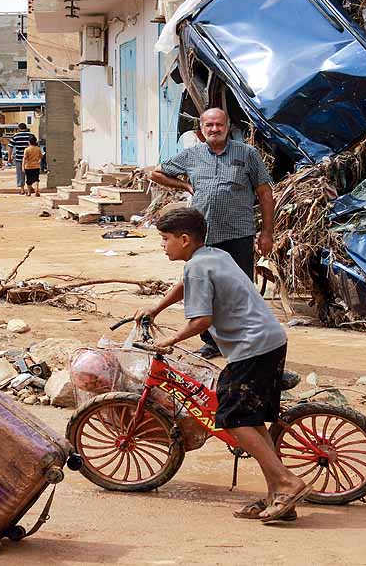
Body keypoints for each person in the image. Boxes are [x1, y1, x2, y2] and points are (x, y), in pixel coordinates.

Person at [136, 208, 307, 523]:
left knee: (230, 417)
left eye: (165, 239)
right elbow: (185, 285)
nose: (162, 245)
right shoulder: (212, 256)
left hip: (252, 346)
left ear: (184, 240)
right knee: (250, 419)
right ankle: (276, 494)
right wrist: (155, 308)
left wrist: (169, 340)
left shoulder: (198, 269)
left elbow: (202, 320)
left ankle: (287, 482)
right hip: (269, 339)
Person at [148, 108, 276, 359]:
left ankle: (243, 340)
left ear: (228, 127)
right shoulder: (192, 155)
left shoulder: (247, 154)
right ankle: (211, 341)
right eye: (209, 125)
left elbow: (265, 194)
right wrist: (185, 184)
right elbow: (156, 173)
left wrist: (267, 233)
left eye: (219, 124)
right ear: (202, 128)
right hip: (202, 237)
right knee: (202, 289)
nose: (214, 129)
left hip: (238, 233)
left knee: (237, 289)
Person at [9, 123, 33, 195]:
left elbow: (10, 147)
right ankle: (30, 187)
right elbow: (35, 146)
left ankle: (22, 189)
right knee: (30, 173)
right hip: (29, 158)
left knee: (20, 174)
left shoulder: (15, 136)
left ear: (19, 128)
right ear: (26, 128)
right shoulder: (31, 135)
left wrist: (9, 157)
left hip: (19, 158)